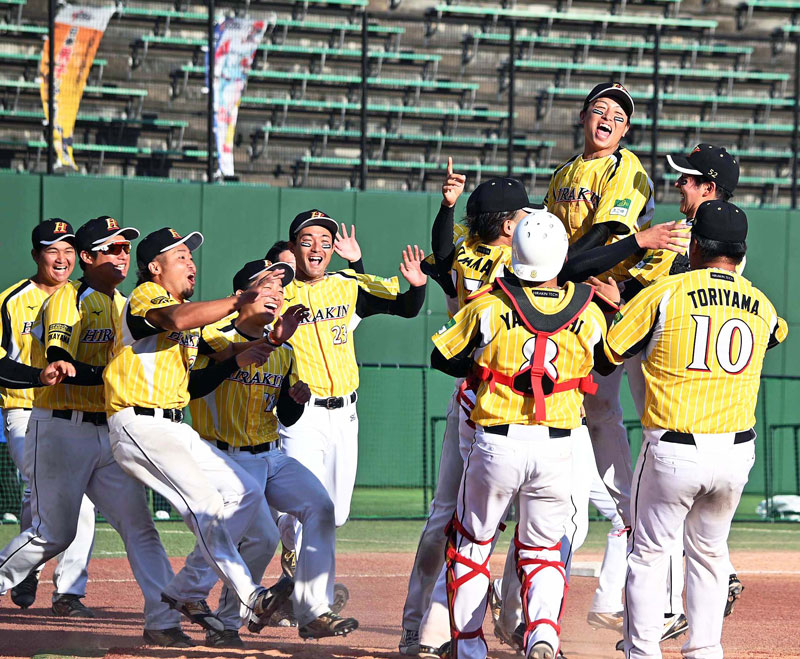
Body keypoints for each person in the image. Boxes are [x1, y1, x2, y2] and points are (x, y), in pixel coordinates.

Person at [403, 162, 685, 657]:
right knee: (546, 544)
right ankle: (539, 632)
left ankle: (439, 636)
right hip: (555, 431)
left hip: (485, 415)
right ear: (510, 226)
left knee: (464, 536)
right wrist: (629, 263)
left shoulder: (476, 276)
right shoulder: (583, 303)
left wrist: (446, 210)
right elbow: (606, 351)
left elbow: (442, 332)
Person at [430, 208, 620, 659]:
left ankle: (471, 647)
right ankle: (542, 636)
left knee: (472, 545)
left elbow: (443, 357)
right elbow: (608, 361)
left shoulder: (490, 305)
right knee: (543, 550)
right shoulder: (589, 310)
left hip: (497, 439)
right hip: (557, 444)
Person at [603, 201, 787, 659]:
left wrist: (621, 307)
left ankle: (642, 653)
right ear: (740, 251)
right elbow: (775, 334)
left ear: (697, 246)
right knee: (709, 555)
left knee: (648, 555)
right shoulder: (762, 303)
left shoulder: (666, 291)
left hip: (674, 448)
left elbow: (609, 353)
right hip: (735, 453)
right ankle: (704, 650)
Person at [0, 216, 191, 646]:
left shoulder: (124, 303)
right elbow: (59, 354)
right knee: (54, 533)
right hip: (61, 430)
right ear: (88, 258)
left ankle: (163, 621)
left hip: (107, 432)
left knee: (139, 526)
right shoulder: (70, 298)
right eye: (111, 248)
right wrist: (59, 362)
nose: (122, 255)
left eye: (125, 248)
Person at [545, 81, 691, 641]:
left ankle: (674, 585)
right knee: (599, 414)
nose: (608, 117)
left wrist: (558, 271)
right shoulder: (563, 175)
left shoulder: (626, 170)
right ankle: (629, 550)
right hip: (596, 302)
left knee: (664, 435)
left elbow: (611, 236)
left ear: (626, 131)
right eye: (600, 109)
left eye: (619, 114)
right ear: (583, 116)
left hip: (634, 303)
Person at [102, 227, 297, 638]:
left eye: (191, 256)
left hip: (175, 426)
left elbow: (223, 347)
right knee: (207, 502)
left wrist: (268, 340)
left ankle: (187, 591)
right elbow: (175, 319)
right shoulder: (146, 297)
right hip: (137, 422)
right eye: (180, 257)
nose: (190, 262)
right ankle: (250, 596)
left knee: (246, 494)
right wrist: (237, 300)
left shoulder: (191, 317)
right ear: (154, 267)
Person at [187, 258, 358, 645]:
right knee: (261, 539)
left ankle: (313, 610)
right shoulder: (210, 334)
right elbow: (192, 388)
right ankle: (220, 619)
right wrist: (238, 359)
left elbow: (286, 414)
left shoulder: (283, 348)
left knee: (321, 507)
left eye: (282, 289)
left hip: (268, 454)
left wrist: (296, 400)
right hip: (222, 455)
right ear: (243, 292)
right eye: (269, 286)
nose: (278, 294)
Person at [275, 210, 426, 586]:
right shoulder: (277, 295)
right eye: (307, 240)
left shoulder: (347, 285)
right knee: (313, 506)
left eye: (325, 242)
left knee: (337, 512)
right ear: (293, 248)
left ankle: (289, 544)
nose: (317, 248)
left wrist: (418, 285)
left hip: (344, 414)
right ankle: (309, 594)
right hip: (302, 416)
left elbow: (406, 307)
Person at [0, 219, 96, 615]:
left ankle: (61, 588)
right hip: (25, 410)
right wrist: (37, 376)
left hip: (75, 413)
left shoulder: (87, 298)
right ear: (36, 254)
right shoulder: (11, 300)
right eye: (52, 249)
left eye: (69, 250)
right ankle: (45, 578)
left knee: (71, 500)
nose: (62, 258)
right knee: (58, 497)